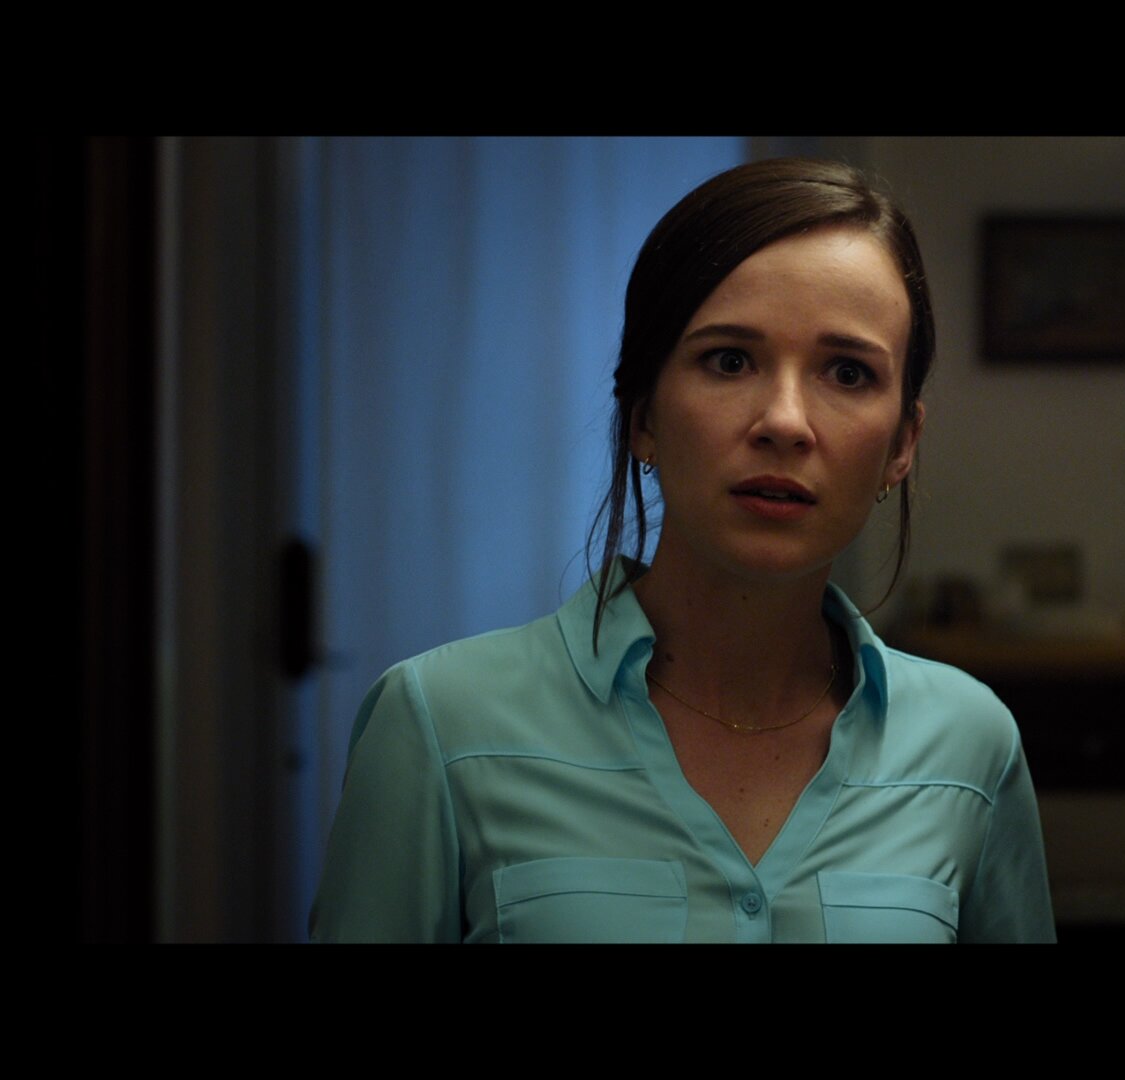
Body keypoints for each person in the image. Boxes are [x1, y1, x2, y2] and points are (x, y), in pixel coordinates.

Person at [309, 158, 1056, 943]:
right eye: (730, 360)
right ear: (643, 417)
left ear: (902, 443)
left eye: (847, 372)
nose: (785, 422)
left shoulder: (971, 747)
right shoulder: (441, 725)